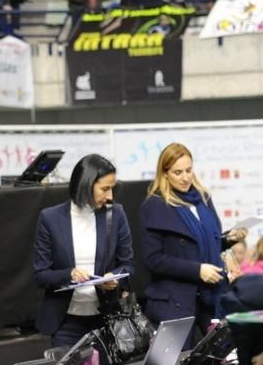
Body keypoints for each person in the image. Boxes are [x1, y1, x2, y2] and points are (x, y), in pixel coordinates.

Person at [140, 143, 246, 338]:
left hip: (210, 299)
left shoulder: (203, 199)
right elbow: (152, 259)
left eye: (189, 170)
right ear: (165, 174)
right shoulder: (155, 206)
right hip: (175, 304)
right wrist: (197, 270)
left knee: (217, 361)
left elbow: (203, 245)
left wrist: (228, 239)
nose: (186, 177)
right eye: (178, 172)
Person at [33, 154, 133, 348]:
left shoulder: (116, 214)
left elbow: (128, 265)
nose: (110, 196)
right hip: (65, 323)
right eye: (105, 189)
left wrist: (114, 277)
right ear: (86, 185)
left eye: (112, 189)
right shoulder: (50, 218)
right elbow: (40, 275)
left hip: (107, 320)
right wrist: (69, 274)